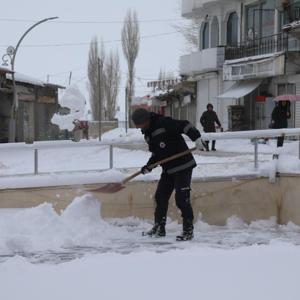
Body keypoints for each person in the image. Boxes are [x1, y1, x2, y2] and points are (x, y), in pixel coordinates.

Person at [131, 108, 206, 241]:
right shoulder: (147, 134)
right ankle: (159, 228)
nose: (138, 127)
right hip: (168, 169)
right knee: (160, 197)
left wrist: (196, 137)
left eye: (139, 124)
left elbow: (184, 124)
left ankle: (188, 231)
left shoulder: (163, 122)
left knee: (182, 199)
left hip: (183, 166)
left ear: (145, 120)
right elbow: (157, 154)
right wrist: (149, 166)